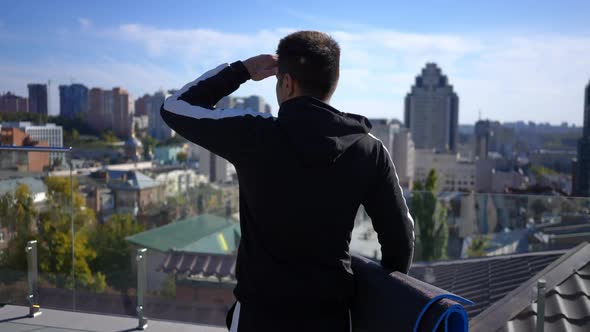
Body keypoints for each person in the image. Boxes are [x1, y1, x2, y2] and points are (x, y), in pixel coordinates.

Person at [160, 30, 414, 332]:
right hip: (330, 317)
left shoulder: (255, 134)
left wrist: (242, 70)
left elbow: (175, 107)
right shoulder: (368, 148)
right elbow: (400, 239)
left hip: (259, 316)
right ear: (333, 83)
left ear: (288, 83)